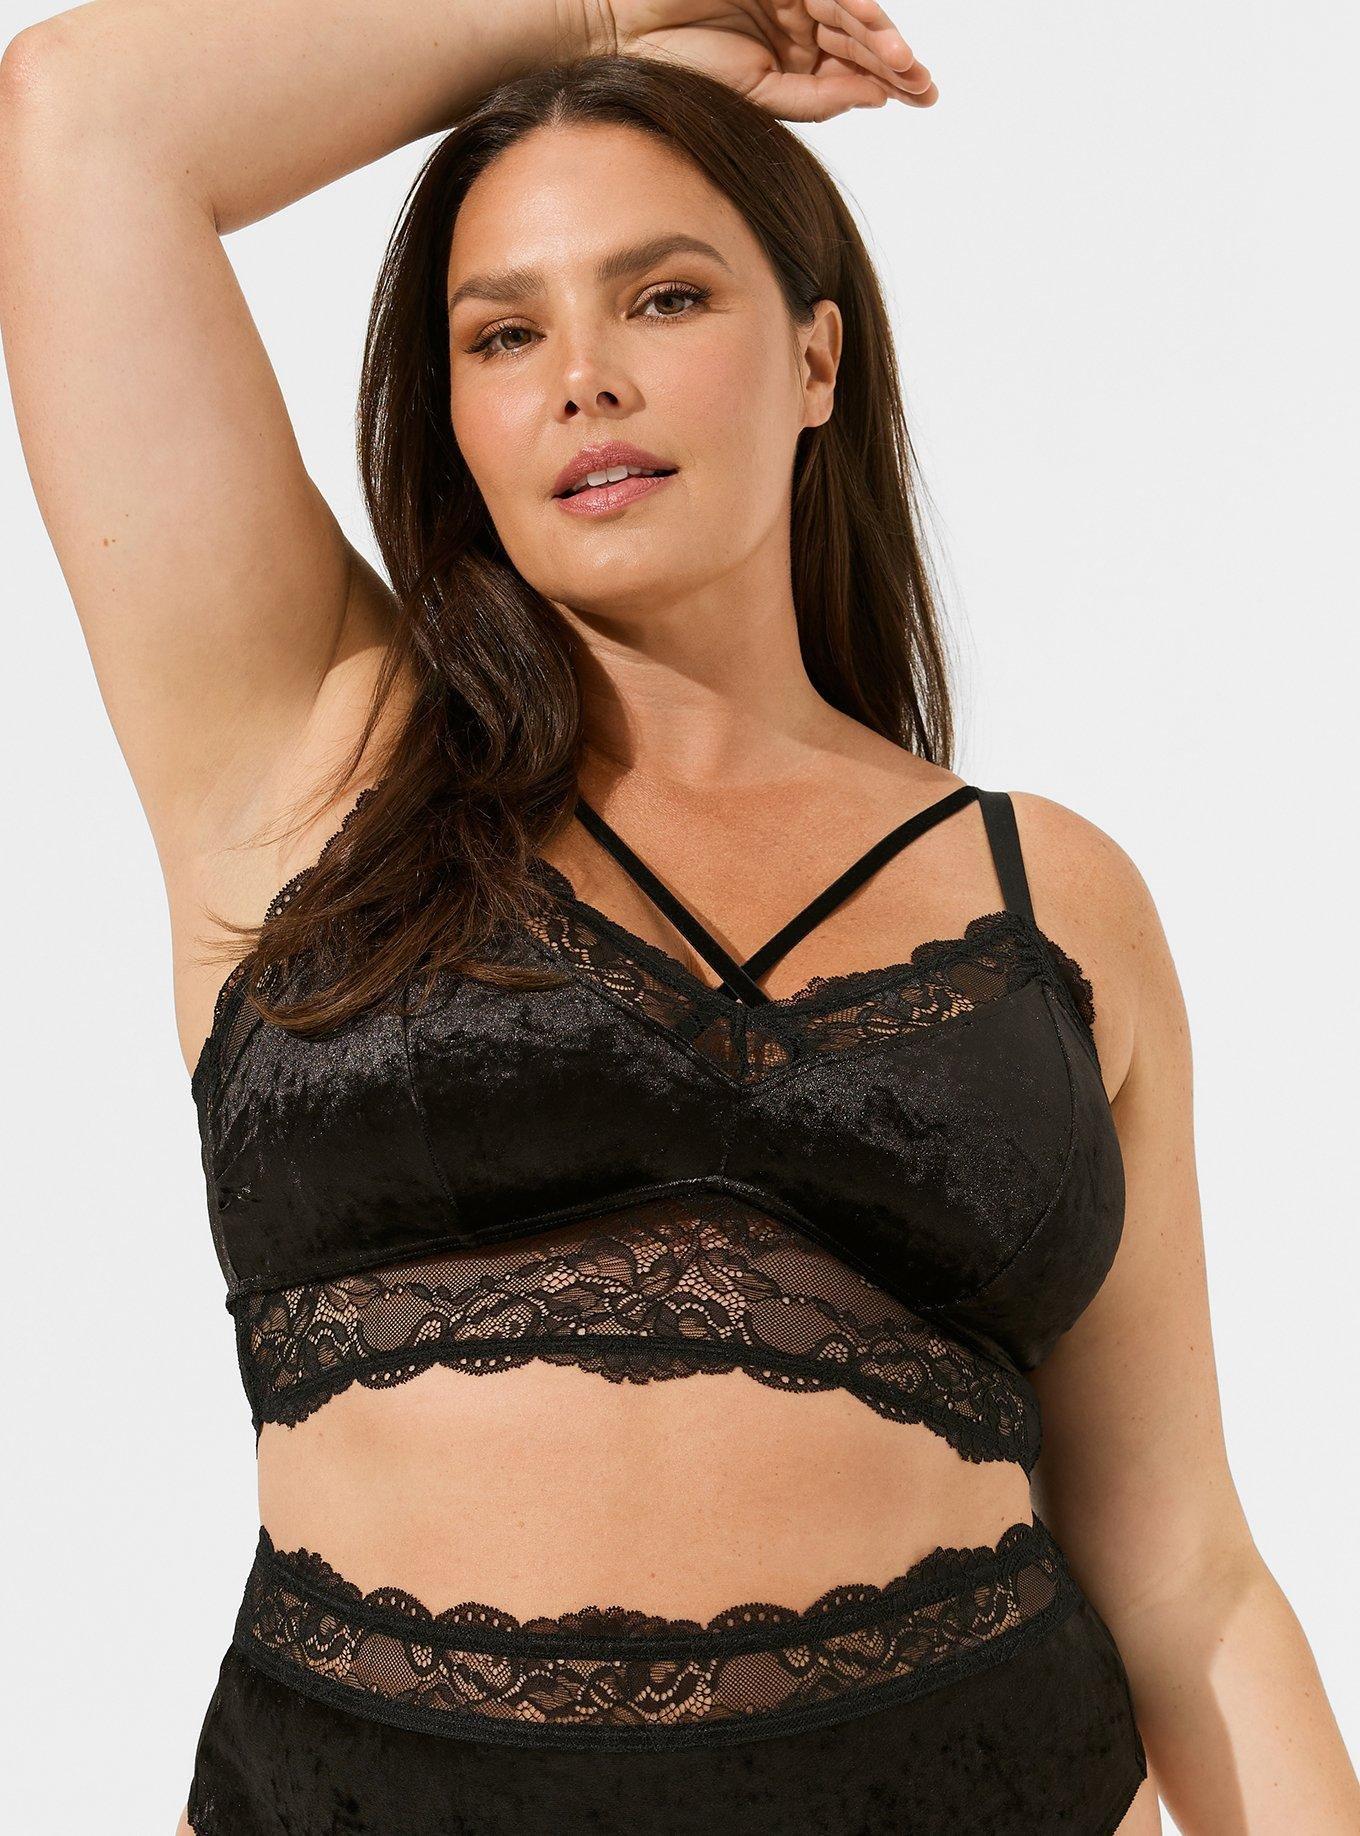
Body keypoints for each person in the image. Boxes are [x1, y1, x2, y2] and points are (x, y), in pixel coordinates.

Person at [2, 2, 1355, 1831]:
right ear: (455, 412)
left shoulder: (1046, 895)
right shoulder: (312, 754)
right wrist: (604, 16)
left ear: (816, 357)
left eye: (662, 297)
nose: (584, 377)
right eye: (506, 331)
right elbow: (81, 122)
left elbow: (1188, 1573)